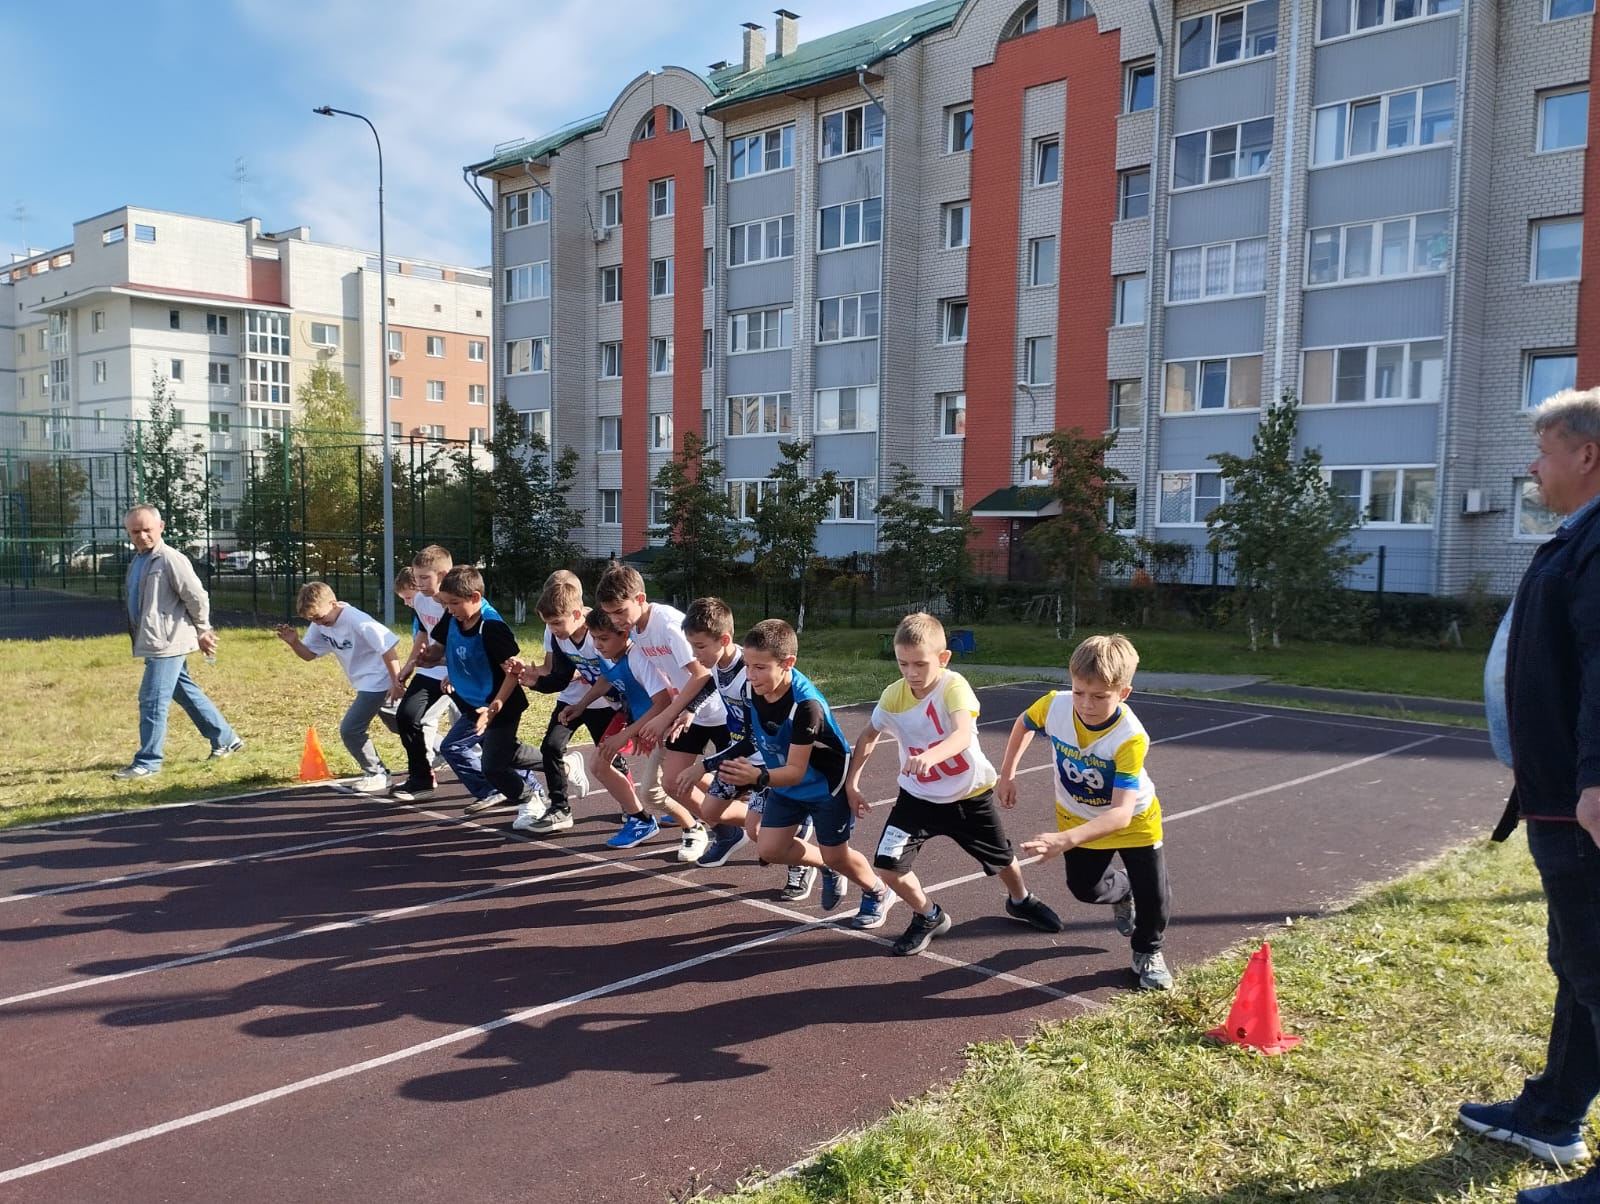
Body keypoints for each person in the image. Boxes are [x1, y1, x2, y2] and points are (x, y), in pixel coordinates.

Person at [1460, 389, 1600, 1202]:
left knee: (1596, 968)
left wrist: (1594, 778)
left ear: (1585, 455)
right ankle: (1553, 1113)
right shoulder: (1579, 538)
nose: (1532, 466)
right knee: (1580, 965)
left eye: (1544, 452)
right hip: (1555, 796)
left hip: (1578, 801)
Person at [846, 613, 1062, 956]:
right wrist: (852, 783)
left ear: (943, 659)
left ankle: (1021, 900)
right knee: (887, 864)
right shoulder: (893, 696)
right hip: (916, 798)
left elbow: (963, 733)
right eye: (903, 664)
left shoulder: (953, 686)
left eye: (920, 664)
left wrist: (932, 756)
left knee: (1002, 859)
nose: (911, 673)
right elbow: (869, 735)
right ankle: (928, 915)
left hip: (968, 796)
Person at [996, 633, 1174, 991]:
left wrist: (1064, 840)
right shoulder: (1055, 705)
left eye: (1099, 697)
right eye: (1079, 691)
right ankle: (1123, 891)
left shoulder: (1129, 737)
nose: (1086, 704)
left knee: (1154, 895)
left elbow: (1121, 815)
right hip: (1078, 815)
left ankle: (1147, 951)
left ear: (1123, 693)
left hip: (1134, 820)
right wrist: (1008, 773)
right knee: (1085, 889)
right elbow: (1024, 723)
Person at [706, 619, 893, 929]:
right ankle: (827, 867)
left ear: (788, 663)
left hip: (823, 786)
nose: (751, 675)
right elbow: (755, 739)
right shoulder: (753, 689)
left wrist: (756, 777)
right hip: (783, 779)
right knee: (769, 848)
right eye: (748, 666)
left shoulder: (807, 707)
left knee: (838, 855)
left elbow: (796, 771)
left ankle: (878, 890)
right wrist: (708, 764)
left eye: (760, 667)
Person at [675, 597, 832, 901]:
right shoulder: (722, 664)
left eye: (700, 647)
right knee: (709, 811)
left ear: (724, 640)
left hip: (761, 759)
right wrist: (692, 708)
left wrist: (703, 765)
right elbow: (713, 683)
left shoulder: (750, 677)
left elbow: (753, 738)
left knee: (759, 833)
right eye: (691, 647)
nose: (695, 654)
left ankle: (811, 860)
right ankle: (782, 821)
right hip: (739, 751)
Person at [595, 564, 725, 861]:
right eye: (610, 613)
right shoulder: (637, 632)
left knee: (747, 782)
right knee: (672, 783)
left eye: (619, 611)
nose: (615, 620)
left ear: (640, 599)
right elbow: (658, 684)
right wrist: (650, 721)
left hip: (718, 709)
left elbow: (703, 674)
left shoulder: (666, 625)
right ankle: (721, 831)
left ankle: (790, 822)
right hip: (687, 713)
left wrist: (667, 715)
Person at [114, 503, 242, 779]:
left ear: (160, 527)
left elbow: (196, 596)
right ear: (128, 532)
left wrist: (203, 630)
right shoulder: (138, 561)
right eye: (135, 531)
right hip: (153, 641)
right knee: (183, 690)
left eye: (147, 529)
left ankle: (148, 762)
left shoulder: (171, 559)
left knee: (151, 700)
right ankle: (225, 738)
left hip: (168, 642)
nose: (142, 535)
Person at [508, 575, 639, 836]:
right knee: (551, 746)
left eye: (556, 623)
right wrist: (533, 681)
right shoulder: (559, 637)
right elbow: (560, 677)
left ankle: (630, 804)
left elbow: (614, 673)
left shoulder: (599, 631)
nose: (553, 629)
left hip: (604, 702)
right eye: (548, 624)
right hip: (573, 700)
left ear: (577, 613)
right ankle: (560, 808)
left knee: (609, 757)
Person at [423, 565, 547, 817]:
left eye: (454, 603)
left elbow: (512, 671)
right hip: (473, 701)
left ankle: (530, 798)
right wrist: (424, 658)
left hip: (500, 704)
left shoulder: (491, 627)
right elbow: (443, 649)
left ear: (475, 598)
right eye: (446, 604)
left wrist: (494, 708)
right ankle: (558, 763)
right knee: (504, 754)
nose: (449, 609)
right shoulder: (454, 616)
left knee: (492, 765)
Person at [558, 606, 682, 850]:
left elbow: (663, 701)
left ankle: (701, 816)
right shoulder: (607, 653)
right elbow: (606, 678)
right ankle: (640, 819)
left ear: (625, 635)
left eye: (603, 639)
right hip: (636, 718)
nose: (597, 644)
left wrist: (628, 733)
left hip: (660, 722)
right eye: (594, 638)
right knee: (599, 763)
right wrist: (581, 704)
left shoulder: (638, 658)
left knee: (675, 779)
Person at [274, 582, 402, 794]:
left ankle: (377, 773)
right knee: (402, 723)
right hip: (364, 682)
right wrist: (294, 642)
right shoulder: (321, 623)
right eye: (312, 620)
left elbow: (388, 648)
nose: (319, 623)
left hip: (378, 681)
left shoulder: (357, 620)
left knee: (350, 729)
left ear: (333, 604)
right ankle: (442, 748)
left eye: (319, 617)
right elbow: (309, 655)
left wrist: (397, 682)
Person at [386, 556, 461, 801]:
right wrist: (408, 666)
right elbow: (422, 633)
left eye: (424, 578)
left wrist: (453, 671)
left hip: (462, 670)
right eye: (416, 578)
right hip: (432, 668)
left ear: (444, 574)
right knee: (406, 716)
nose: (418, 584)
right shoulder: (420, 599)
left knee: (487, 730)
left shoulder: (458, 602)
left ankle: (526, 774)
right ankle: (421, 778)